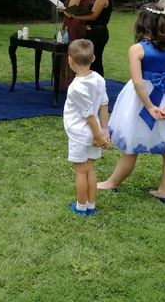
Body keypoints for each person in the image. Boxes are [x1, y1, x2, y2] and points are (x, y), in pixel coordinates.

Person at [97, 4, 165, 203]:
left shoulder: (137, 49)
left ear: (141, 23)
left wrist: (150, 106)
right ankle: (163, 192)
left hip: (143, 100)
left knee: (132, 145)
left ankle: (112, 183)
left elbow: (137, 82)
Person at [63, 39, 110, 216]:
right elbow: (104, 105)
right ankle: (91, 205)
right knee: (90, 168)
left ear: (70, 61)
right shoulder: (98, 79)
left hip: (80, 135)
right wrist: (104, 129)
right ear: (93, 58)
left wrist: (99, 135)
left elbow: (89, 115)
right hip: (94, 131)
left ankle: (81, 207)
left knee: (80, 171)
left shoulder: (75, 87)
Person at [64, 0, 113, 77]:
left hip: (98, 32)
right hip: (95, 31)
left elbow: (93, 16)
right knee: (93, 60)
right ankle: (93, 84)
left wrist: (76, 16)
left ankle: (97, 84)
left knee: (95, 60)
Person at [59, 0, 92, 90]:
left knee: (69, 52)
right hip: (81, 24)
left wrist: (62, 8)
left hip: (72, 24)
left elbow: (69, 12)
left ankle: (66, 83)